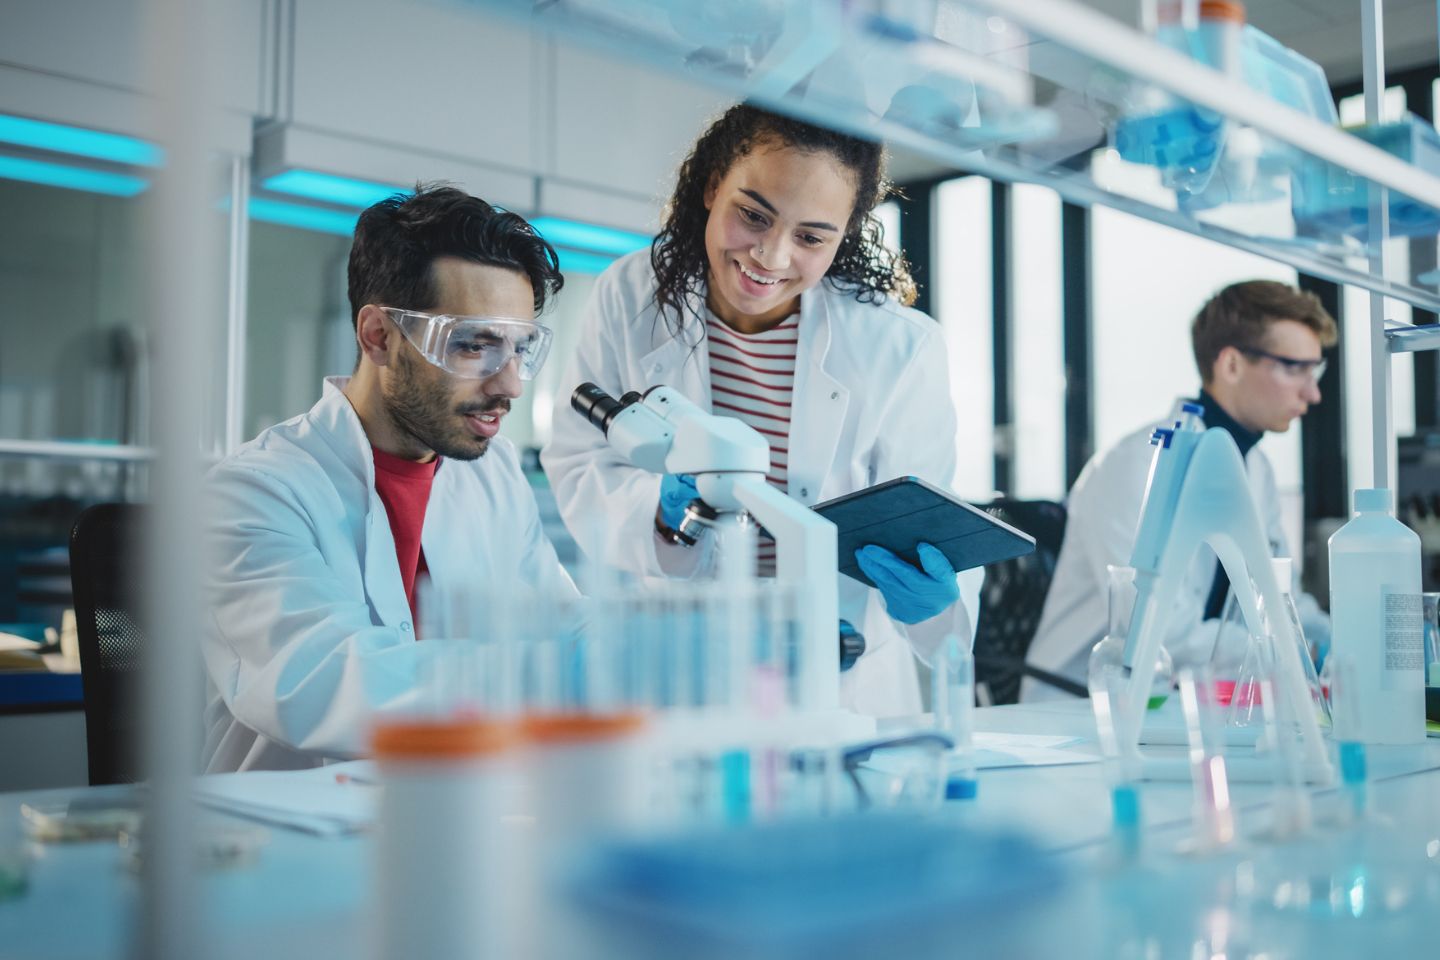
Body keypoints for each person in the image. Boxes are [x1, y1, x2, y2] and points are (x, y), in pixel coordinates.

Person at [542, 104, 980, 719]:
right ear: (712, 185)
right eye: (753, 216)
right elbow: (578, 461)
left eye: (810, 237)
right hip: (677, 666)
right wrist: (664, 515)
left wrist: (933, 602)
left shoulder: (900, 346)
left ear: (844, 235)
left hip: (843, 682)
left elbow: (927, 517)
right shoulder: (630, 295)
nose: (771, 257)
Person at [202, 185, 578, 772]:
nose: (510, 386)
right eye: (473, 345)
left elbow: (561, 622)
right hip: (289, 833)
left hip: (460, 814)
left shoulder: (495, 474)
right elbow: (323, 678)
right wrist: (550, 675)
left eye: (519, 348)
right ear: (378, 336)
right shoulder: (255, 492)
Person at [1024, 280, 1337, 701]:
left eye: (1315, 370)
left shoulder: (1255, 469)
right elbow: (1163, 631)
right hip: (1079, 710)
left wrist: (1336, 645)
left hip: (1189, 700)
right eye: (1294, 367)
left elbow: (1281, 600)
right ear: (1231, 365)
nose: (1312, 392)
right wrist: (1291, 653)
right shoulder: (1140, 463)